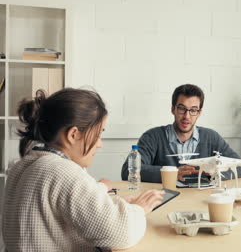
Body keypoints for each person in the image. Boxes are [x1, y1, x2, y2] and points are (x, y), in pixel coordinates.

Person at [2, 88, 165, 251]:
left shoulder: (25, 164)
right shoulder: (61, 171)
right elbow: (121, 233)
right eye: (98, 134)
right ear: (73, 135)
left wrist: (120, 204)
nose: (100, 143)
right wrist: (139, 209)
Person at [121, 84, 241, 183]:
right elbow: (128, 171)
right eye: (181, 109)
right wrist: (171, 173)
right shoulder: (152, 137)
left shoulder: (211, 137)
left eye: (193, 110)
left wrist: (216, 173)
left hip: (201, 202)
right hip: (165, 202)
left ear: (199, 112)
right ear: (173, 109)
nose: (186, 116)